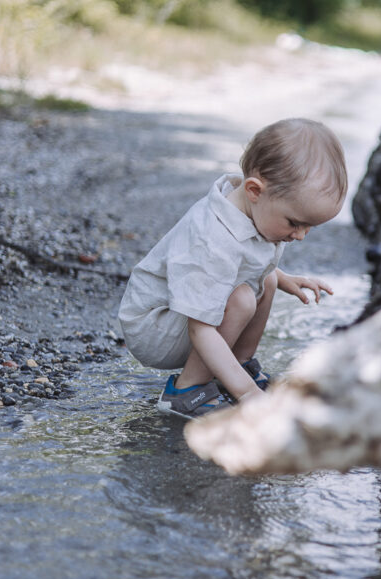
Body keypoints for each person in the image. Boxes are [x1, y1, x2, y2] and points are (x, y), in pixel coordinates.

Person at [118, 118, 347, 418]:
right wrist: (248, 395)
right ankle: (187, 390)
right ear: (254, 190)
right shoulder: (211, 236)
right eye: (294, 223)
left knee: (266, 283)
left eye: (309, 227)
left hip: (183, 315)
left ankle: (235, 370)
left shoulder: (250, 211)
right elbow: (200, 326)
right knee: (240, 299)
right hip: (154, 327)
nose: (301, 235)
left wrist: (284, 278)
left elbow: (242, 265)